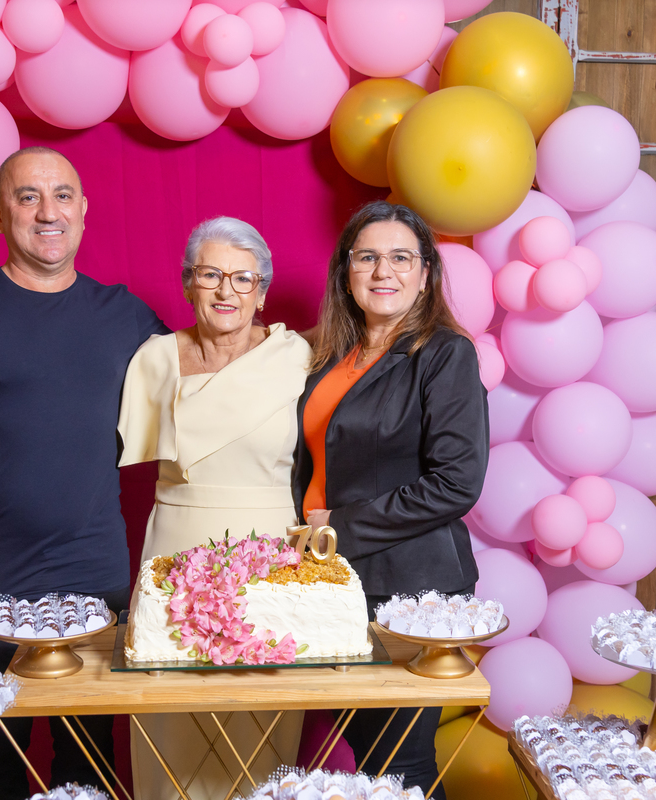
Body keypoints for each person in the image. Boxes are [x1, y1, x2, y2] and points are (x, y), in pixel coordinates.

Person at [0, 147, 168, 800]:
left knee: (88, 759)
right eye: (28, 197)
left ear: (83, 211)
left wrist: (299, 346)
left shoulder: (126, 315)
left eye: (62, 195)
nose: (49, 212)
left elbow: (211, 377)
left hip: (94, 575)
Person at [292, 201, 489, 798]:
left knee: (400, 762)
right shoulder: (331, 357)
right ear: (346, 272)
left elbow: (457, 482)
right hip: (330, 579)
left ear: (425, 273)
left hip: (410, 587)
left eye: (401, 258)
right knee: (369, 752)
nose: (384, 271)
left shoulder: (446, 354)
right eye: (368, 257)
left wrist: (337, 527)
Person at [118, 216, 311, 800]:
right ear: (188, 284)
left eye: (243, 278)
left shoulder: (295, 356)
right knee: (169, 715)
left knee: (260, 719)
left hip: (270, 555)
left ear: (262, 292)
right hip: (174, 549)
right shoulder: (153, 359)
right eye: (210, 275)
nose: (227, 290)